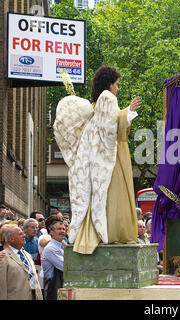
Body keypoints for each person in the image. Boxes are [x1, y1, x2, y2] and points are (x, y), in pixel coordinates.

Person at [54, 65, 142, 254]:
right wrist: (128, 112)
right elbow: (109, 127)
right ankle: (114, 232)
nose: (118, 88)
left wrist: (125, 112)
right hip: (109, 156)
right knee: (113, 191)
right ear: (109, 84)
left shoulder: (96, 103)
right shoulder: (107, 98)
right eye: (116, 84)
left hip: (98, 155)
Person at [0, 224, 43, 300]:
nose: (24, 236)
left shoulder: (27, 255)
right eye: (20, 234)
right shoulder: (3, 257)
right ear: (11, 239)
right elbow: (2, 286)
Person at [41, 219, 65, 300]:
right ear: (51, 232)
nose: (62, 231)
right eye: (59, 229)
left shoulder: (62, 246)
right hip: (53, 288)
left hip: (60, 286)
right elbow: (65, 267)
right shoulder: (51, 248)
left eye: (63, 229)